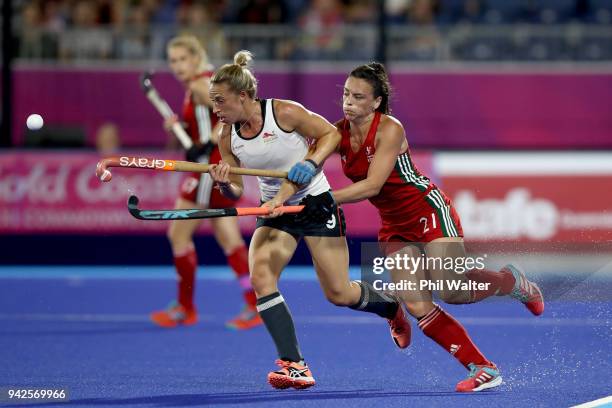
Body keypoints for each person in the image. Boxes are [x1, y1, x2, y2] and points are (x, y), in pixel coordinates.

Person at [297, 62, 545, 392]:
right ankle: (483, 367)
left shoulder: (390, 129)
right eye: (345, 94)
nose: (348, 102)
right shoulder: (337, 132)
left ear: (376, 102)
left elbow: (372, 186)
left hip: (428, 211)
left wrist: (327, 199)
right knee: (416, 304)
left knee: (453, 291)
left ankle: (509, 280)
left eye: (358, 97)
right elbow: (307, 158)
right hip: (394, 226)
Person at [208, 50, 411, 390]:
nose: (216, 109)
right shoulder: (226, 135)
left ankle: (390, 308)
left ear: (243, 96)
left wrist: (311, 162)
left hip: (316, 204)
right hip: (275, 210)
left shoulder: (284, 112)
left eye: (220, 101)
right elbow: (236, 190)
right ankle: (294, 364)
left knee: (339, 293)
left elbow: (329, 134)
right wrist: (224, 182)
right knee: (261, 276)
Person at [149, 36, 262, 330]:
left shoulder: (202, 85)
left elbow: (229, 117)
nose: (176, 66)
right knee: (229, 239)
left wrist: (204, 144)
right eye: (172, 61)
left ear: (196, 57)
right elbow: (205, 121)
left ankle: (186, 308)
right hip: (214, 165)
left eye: (182, 59)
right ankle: (255, 303)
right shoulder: (201, 84)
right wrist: (181, 127)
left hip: (209, 168)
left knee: (178, 235)